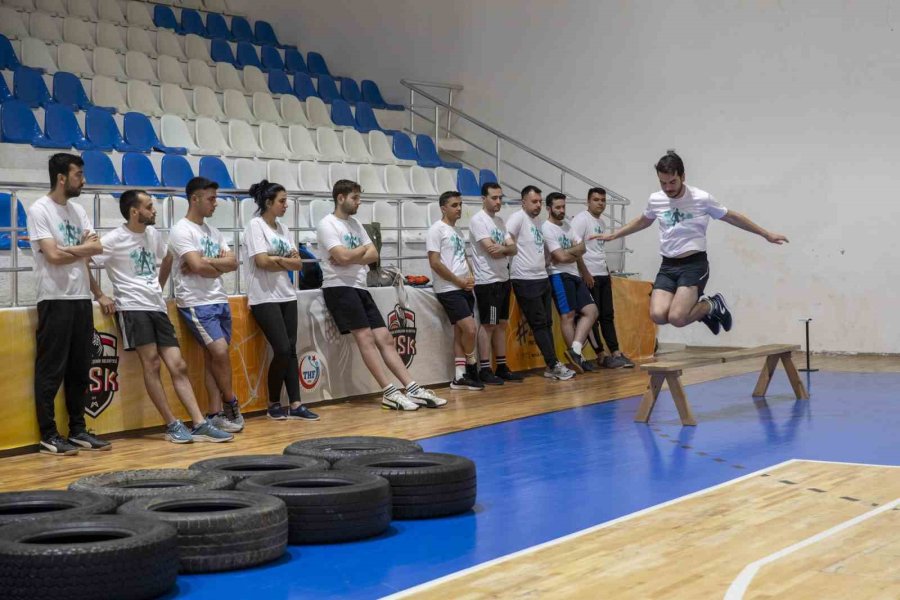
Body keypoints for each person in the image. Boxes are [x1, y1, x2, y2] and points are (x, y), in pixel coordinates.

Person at [90, 190, 233, 443]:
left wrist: (159, 285)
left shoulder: (152, 234)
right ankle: (171, 423)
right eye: (148, 206)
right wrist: (101, 294)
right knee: (152, 363)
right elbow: (84, 260)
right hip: (132, 307)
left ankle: (199, 422)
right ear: (135, 212)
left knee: (178, 365)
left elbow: (167, 256)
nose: (154, 210)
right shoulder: (114, 239)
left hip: (156, 306)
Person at [600, 151, 789, 334]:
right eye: (663, 183)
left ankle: (711, 304)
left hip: (694, 265)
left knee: (677, 318)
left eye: (672, 182)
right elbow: (643, 221)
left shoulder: (701, 198)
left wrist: (765, 234)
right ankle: (708, 309)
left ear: (683, 176)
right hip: (668, 265)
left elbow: (731, 217)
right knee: (658, 315)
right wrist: (615, 235)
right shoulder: (656, 199)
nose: (668, 188)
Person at [317, 179, 447, 410]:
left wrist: (350, 254)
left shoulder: (356, 224)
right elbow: (345, 257)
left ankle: (412, 387)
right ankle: (389, 390)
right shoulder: (327, 224)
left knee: (385, 338)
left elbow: (372, 254)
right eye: (355, 198)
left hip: (360, 286)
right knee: (365, 337)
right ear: (341, 198)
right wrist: (357, 254)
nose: (358, 202)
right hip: (339, 287)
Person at [26, 153, 110, 455]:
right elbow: (53, 256)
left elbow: (96, 248)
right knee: (51, 370)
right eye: (78, 174)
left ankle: (77, 429)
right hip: (54, 298)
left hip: (80, 298)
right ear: (62, 177)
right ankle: (48, 433)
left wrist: (97, 290)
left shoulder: (78, 210)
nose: (83, 180)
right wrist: (81, 249)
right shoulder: (39, 209)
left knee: (80, 368)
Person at [168, 177, 244, 433]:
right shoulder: (181, 230)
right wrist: (214, 266)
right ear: (195, 199)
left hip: (218, 298)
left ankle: (214, 413)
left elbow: (233, 263)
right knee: (220, 352)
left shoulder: (214, 232)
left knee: (216, 356)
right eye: (211, 198)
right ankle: (230, 402)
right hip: (196, 302)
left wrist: (208, 264)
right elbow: (197, 266)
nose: (215, 203)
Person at [242, 180, 319, 421]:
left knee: (291, 350)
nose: (286, 205)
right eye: (282, 201)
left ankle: (296, 403)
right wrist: (282, 259)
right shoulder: (255, 226)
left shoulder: (283, 230)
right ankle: (274, 401)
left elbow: (298, 264)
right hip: (264, 296)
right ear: (268, 203)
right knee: (282, 349)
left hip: (287, 293)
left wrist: (277, 259)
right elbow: (261, 261)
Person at [506, 185, 576, 380]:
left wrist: (545, 261)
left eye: (539, 201)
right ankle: (553, 363)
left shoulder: (537, 222)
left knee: (546, 322)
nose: (538, 205)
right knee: (538, 323)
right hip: (525, 279)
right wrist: (509, 246)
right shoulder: (518, 217)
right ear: (523, 202)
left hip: (541, 277)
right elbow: (507, 235)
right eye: (534, 201)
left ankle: (551, 364)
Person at [570, 187, 635, 368]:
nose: (600, 203)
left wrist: (606, 271)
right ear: (588, 201)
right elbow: (576, 249)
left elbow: (598, 249)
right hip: (589, 275)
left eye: (603, 200)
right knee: (592, 316)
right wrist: (585, 273)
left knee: (607, 315)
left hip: (602, 273)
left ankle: (615, 352)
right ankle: (601, 354)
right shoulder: (581, 220)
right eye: (596, 200)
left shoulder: (602, 222)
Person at [427, 191, 483, 391]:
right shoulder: (437, 230)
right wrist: (458, 281)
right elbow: (434, 262)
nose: (459, 208)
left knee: (460, 332)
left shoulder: (457, 231)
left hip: (463, 286)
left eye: (460, 204)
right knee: (470, 329)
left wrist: (470, 274)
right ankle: (472, 364)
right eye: (454, 205)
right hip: (449, 288)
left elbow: (462, 256)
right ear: (443, 208)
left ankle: (459, 377)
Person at [468, 182, 524, 384]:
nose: (498, 201)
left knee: (501, 324)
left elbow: (514, 249)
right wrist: (505, 248)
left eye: (500, 197)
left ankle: (501, 366)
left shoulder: (500, 221)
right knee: (488, 324)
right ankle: (485, 368)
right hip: (488, 281)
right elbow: (490, 248)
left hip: (503, 278)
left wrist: (504, 248)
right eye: (494, 197)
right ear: (484, 199)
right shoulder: (478, 220)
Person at [542, 192, 599, 373]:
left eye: (563, 207)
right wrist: (571, 253)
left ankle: (575, 350)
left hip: (573, 274)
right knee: (567, 316)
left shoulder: (567, 225)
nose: (561, 211)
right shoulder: (547, 228)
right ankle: (578, 359)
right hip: (558, 274)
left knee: (592, 310)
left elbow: (582, 248)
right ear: (549, 208)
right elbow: (560, 257)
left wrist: (569, 254)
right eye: (557, 207)